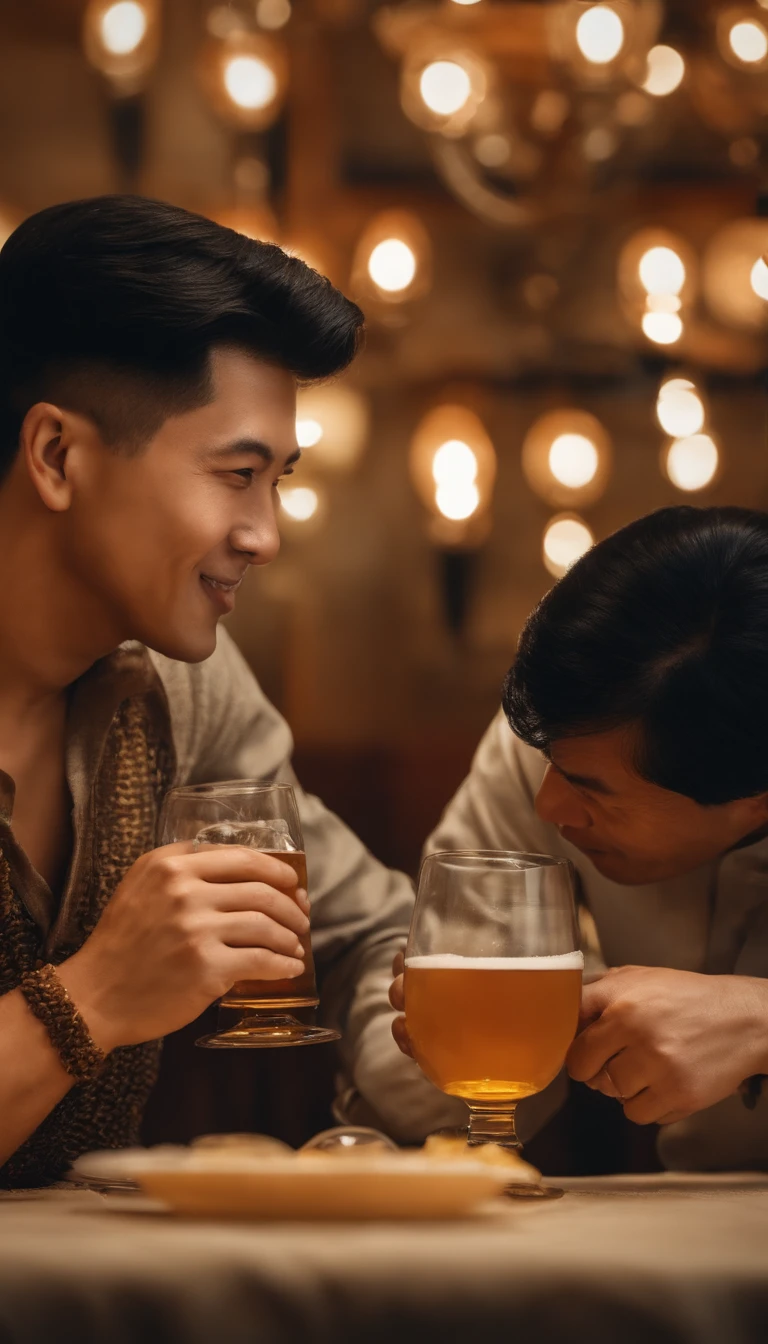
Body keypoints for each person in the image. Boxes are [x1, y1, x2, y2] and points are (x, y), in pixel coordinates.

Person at [0, 194, 458, 1188]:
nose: (266, 534)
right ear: (55, 456)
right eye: (236, 473)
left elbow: (366, 934)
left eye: (278, 479)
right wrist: (92, 998)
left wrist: (449, 1076)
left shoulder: (181, 687)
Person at [391, 507, 768, 1170]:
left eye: (592, 790)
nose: (548, 806)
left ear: (753, 802)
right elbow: (461, 1102)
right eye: (551, 766)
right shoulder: (553, 744)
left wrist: (759, 1019)